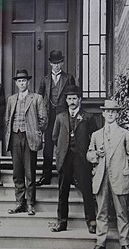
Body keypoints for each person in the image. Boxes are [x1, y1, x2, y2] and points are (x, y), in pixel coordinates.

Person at [86, 100, 129, 249]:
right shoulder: (96, 135)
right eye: (107, 111)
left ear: (117, 114)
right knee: (101, 212)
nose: (110, 114)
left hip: (119, 177)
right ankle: (100, 243)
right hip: (101, 177)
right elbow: (89, 154)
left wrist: (127, 170)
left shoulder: (125, 134)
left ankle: (125, 244)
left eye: (113, 111)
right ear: (103, 113)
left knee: (121, 212)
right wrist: (96, 155)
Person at [50, 85, 97, 234]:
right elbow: (54, 137)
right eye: (69, 98)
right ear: (66, 100)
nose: (71, 101)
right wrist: (61, 151)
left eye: (74, 98)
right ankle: (61, 222)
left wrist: (88, 153)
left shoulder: (87, 117)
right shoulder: (60, 117)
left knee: (87, 191)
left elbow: (95, 137)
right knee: (63, 192)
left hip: (81, 159)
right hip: (64, 159)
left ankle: (91, 221)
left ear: (79, 100)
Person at [5, 69, 47, 215]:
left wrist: (36, 130)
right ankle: (19, 202)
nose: (21, 83)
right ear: (16, 83)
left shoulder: (36, 98)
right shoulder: (11, 99)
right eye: (19, 81)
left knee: (30, 171)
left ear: (28, 82)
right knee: (17, 172)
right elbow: (7, 119)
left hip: (29, 137)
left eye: (24, 80)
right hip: (15, 137)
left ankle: (30, 203)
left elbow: (43, 119)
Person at [36, 50, 76, 186]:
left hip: (63, 116)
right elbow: (39, 98)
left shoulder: (69, 78)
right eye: (54, 63)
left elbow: (73, 96)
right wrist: (40, 117)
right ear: (50, 64)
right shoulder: (45, 79)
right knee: (47, 147)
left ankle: (67, 176)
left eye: (59, 63)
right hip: (48, 116)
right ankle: (45, 176)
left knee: (65, 145)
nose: (57, 66)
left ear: (62, 63)